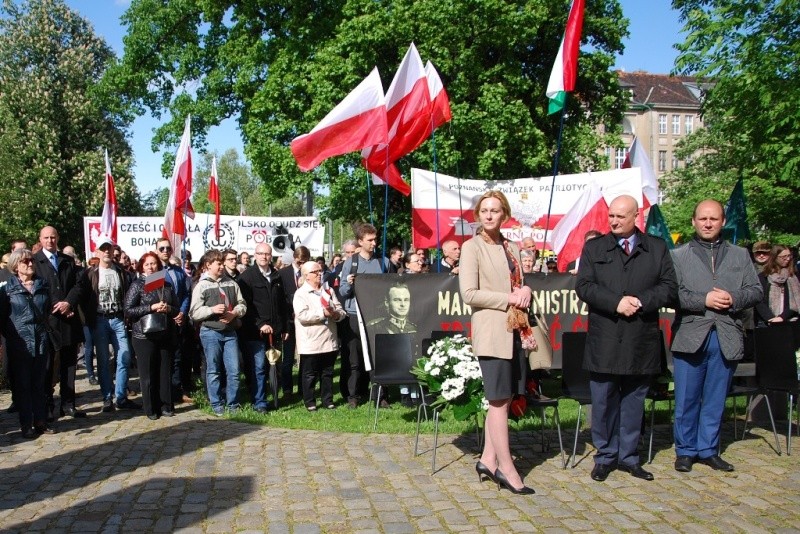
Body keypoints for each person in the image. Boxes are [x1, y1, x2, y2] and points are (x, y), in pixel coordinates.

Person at [575, 194, 677, 483]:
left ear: (636, 217)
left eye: (621, 216)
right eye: (611, 216)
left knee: (634, 401)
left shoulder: (656, 249)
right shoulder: (595, 248)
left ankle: (629, 456)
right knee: (604, 400)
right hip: (605, 337)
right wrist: (615, 302)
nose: (614, 221)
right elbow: (584, 286)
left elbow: (669, 288)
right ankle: (605, 456)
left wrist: (641, 301)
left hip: (640, 339)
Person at [670, 199, 763, 473]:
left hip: (726, 334)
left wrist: (734, 298)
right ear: (693, 222)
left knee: (715, 398)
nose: (707, 223)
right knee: (686, 398)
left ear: (723, 222)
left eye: (713, 219)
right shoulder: (678, 256)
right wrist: (704, 300)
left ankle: (708, 448)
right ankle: (685, 450)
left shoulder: (739, 255)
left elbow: (756, 290)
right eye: (702, 219)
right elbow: (671, 294)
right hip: (691, 334)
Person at [460, 190, 536, 494]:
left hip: (515, 331)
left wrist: (526, 290)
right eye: (484, 211)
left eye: (495, 210)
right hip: (492, 333)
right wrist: (509, 298)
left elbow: (517, 284)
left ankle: (489, 460)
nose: (489, 215)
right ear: (478, 215)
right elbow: (469, 294)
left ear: (504, 214)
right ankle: (507, 468)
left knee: (505, 399)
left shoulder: (512, 247)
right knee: (498, 400)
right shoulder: (471, 247)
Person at [79, 237, 139, 412]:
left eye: (109, 249)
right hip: (99, 319)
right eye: (103, 249)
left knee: (125, 356)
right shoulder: (90, 273)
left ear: (113, 251)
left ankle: (121, 396)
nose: (106, 252)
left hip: (118, 319)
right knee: (104, 360)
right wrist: (87, 321)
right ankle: (107, 398)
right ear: (97, 252)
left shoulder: (121, 271)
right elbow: (82, 298)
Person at [0, 249, 56, 438]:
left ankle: (41, 421)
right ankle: (26, 424)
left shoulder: (42, 286)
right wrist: (11, 338)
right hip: (20, 343)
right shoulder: (7, 290)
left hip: (40, 340)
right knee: (23, 385)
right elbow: (2, 319)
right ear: (16, 266)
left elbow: (47, 311)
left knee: (39, 384)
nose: (30, 264)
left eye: (31, 260)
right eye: (25, 261)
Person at [32, 226, 87, 420]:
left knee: (69, 364)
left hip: (69, 319)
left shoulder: (68, 261)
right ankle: (48, 405)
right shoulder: (35, 262)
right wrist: (55, 304)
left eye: (53, 237)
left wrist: (69, 302)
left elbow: (79, 285)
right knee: (48, 366)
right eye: (46, 238)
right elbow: (36, 288)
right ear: (40, 239)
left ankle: (68, 404)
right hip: (49, 321)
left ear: (58, 238)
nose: (50, 241)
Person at [189, 249, 247, 416]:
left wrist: (234, 313)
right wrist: (211, 309)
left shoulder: (231, 283)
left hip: (230, 333)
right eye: (219, 263)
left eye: (223, 263)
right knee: (213, 369)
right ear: (208, 265)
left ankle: (233, 404)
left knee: (234, 370)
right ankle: (216, 403)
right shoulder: (202, 286)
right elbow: (194, 313)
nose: (222, 266)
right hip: (210, 332)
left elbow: (242, 304)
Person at [123, 251, 180, 419]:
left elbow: (176, 307)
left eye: (153, 264)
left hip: (165, 332)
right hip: (144, 335)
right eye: (147, 264)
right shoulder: (138, 285)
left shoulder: (166, 285)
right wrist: (151, 308)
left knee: (164, 371)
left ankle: (166, 406)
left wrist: (169, 309)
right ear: (142, 266)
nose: (150, 267)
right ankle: (151, 408)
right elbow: (128, 310)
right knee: (148, 373)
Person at [237, 242, 287, 412]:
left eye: (267, 254)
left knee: (271, 367)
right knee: (258, 368)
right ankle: (259, 402)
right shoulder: (246, 277)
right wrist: (260, 324)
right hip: (255, 332)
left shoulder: (276, 276)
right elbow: (246, 306)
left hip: (275, 331)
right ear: (254, 255)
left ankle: (271, 395)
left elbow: (282, 303)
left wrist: (285, 327)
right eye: (260, 254)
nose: (264, 257)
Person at [339, 223, 383, 408]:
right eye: (370, 240)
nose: (374, 243)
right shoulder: (351, 262)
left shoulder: (383, 262)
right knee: (354, 359)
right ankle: (353, 396)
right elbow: (342, 291)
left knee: (377, 356)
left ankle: (379, 396)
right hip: (354, 314)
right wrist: (349, 283)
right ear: (360, 241)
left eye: (375, 239)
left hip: (377, 315)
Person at [294, 261, 347, 411]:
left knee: (327, 372)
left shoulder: (328, 290)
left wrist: (336, 315)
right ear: (306, 276)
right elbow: (302, 316)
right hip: (310, 340)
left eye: (320, 270)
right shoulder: (301, 294)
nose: (319, 273)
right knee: (309, 374)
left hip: (328, 339)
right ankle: (310, 401)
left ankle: (327, 400)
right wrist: (322, 313)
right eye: (315, 272)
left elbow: (340, 310)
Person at [154, 238, 193, 404]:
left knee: (177, 357)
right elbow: (150, 297)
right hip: (159, 319)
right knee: (160, 358)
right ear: (156, 250)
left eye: (168, 248)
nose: (165, 251)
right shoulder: (153, 271)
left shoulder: (178, 271)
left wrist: (182, 312)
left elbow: (186, 293)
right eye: (161, 248)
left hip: (177, 320)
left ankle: (176, 392)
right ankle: (159, 393)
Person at [367, 282, 418, 407]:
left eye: (406, 300)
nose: (402, 304)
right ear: (387, 302)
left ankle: (414, 396)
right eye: (397, 300)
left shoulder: (415, 328)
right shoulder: (376, 326)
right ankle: (404, 395)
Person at [277, 245, 311, 399]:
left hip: (305, 322)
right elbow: (279, 298)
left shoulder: (311, 273)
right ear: (294, 259)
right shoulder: (283, 274)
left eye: (305, 262)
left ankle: (304, 389)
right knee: (288, 358)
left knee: (305, 356)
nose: (302, 265)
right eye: (299, 262)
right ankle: (287, 389)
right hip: (289, 322)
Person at [754, 245, 800, 326]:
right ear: (775, 257)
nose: (788, 259)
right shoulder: (763, 277)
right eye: (784, 257)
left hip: (791, 320)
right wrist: (770, 318)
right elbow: (758, 300)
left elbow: (796, 300)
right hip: (767, 322)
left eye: (789, 256)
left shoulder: (794, 276)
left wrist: (782, 317)